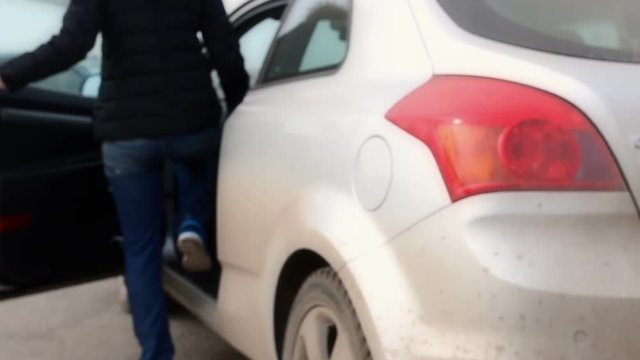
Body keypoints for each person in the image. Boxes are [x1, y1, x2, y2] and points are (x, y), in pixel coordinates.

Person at [0, 0, 249, 359]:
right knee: (199, 158)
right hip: (192, 120)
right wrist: (240, 99)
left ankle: (157, 352)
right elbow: (223, 43)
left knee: (140, 249)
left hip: (128, 133)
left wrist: (10, 75)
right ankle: (192, 222)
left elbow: (71, 45)